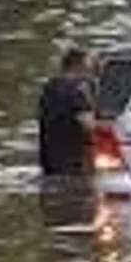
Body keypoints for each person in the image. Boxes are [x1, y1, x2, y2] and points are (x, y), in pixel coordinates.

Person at [37, 48, 98, 176]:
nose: (91, 72)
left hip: (49, 158)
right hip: (74, 162)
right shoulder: (77, 89)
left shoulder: (50, 86)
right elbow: (88, 124)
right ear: (79, 66)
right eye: (90, 66)